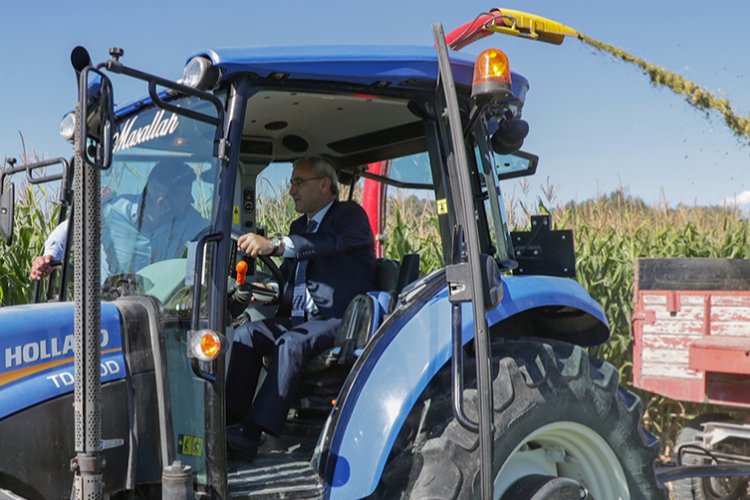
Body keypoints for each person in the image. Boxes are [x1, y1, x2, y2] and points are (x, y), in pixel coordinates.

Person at [225, 156, 376, 461]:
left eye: (298, 182)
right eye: (291, 182)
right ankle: (230, 421)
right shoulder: (299, 225)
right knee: (247, 334)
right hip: (299, 318)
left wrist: (274, 244)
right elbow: (291, 277)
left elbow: (325, 243)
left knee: (290, 342)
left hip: (339, 318)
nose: (291, 190)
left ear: (324, 184)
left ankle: (252, 434)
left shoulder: (349, 216)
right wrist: (263, 291)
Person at [30, 158, 207, 281]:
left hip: (159, 314)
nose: (191, 200)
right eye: (185, 196)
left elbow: (214, 231)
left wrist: (236, 238)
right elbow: (68, 229)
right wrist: (49, 258)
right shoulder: (112, 211)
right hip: (112, 310)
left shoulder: (187, 218)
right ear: (162, 203)